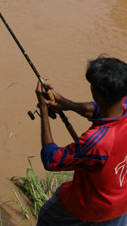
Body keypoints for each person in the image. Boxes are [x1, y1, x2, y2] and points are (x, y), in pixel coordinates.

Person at [35, 56, 127, 226]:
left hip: (92, 206)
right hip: (121, 203)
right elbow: (100, 109)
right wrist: (67, 104)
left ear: (96, 93)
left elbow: (51, 159)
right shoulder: (123, 104)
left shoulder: (97, 141)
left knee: (47, 216)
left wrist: (44, 111)